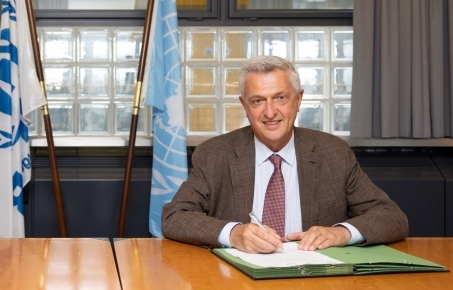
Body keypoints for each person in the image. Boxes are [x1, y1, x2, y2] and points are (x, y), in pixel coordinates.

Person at [161, 55, 408, 254]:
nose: (270, 112)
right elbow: (174, 217)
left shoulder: (333, 152)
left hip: (315, 280)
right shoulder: (215, 154)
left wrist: (341, 233)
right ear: (245, 106)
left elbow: (392, 217)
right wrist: (234, 234)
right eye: (258, 101)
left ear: (298, 99)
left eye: (280, 98)